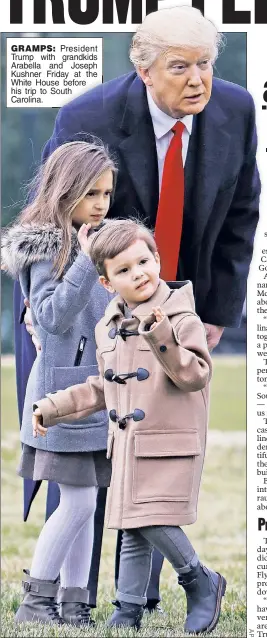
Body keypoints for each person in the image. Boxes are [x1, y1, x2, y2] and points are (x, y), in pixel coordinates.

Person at [14, 4, 260, 610]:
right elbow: (55, 216)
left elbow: (240, 218)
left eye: (206, 63)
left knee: (151, 458)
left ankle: (133, 601)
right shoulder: (87, 115)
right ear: (144, 68)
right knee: (83, 468)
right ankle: (70, 599)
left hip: (177, 313)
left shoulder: (235, 108)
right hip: (86, 314)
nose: (198, 79)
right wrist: (42, 307)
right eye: (181, 66)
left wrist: (215, 315)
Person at [33, 218, 226, 635]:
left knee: (150, 517)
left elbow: (195, 375)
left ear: (157, 259)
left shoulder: (179, 314)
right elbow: (103, 387)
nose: (138, 272)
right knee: (131, 525)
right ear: (106, 283)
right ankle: (128, 608)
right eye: (123, 270)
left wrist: (162, 337)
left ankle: (200, 580)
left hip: (170, 442)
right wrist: (53, 406)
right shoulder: (110, 326)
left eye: (143, 261)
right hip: (129, 443)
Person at [2, 140, 117, 626]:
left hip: (94, 395)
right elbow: (49, 317)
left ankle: (73, 606)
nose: (100, 204)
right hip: (60, 397)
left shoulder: (93, 238)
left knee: (87, 505)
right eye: (90, 193)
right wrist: (89, 263)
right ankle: (35, 602)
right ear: (63, 189)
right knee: (79, 501)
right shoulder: (46, 245)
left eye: (107, 194)